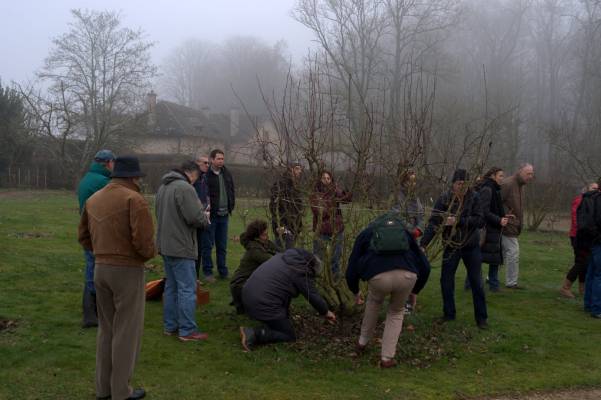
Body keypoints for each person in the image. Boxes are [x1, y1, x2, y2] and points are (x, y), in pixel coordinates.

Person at [78, 155, 155, 400]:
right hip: (127, 270)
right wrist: (148, 254)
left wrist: (101, 252)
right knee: (127, 332)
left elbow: (83, 236)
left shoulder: (93, 199)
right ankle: (121, 391)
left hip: (100, 268)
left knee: (107, 329)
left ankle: (103, 389)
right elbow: (144, 244)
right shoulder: (135, 199)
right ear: (134, 177)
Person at [346, 213, 431, 368]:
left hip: (378, 277)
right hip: (407, 275)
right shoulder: (406, 233)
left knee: (373, 303)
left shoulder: (366, 233)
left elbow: (352, 266)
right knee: (396, 312)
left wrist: (355, 291)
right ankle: (387, 358)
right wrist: (415, 291)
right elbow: (425, 265)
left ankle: (362, 343)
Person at [421, 169, 488, 329]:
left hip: (471, 246)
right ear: (453, 184)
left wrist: (458, 221)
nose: (462, 186)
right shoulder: (445, 199)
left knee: (476, 282)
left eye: (465, 184)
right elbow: (434, 222)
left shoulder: (474, 198)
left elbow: (479, 220)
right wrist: (423, 244)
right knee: (446, 280)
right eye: (459, 183)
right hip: (451, 246)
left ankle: (481, 319)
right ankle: (449, 314)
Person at [239, 248, 336, 350]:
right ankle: (254, 333)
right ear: (312, 267)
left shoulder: (284, 257)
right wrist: (326, 312)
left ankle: (270, 323)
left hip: (247, 296)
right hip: (261, 303)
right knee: (289, 335)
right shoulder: (301, 271)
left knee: (280, 319)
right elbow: (312, 296)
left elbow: (283, 293)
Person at [156, 161, 209, 342]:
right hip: (181, 246)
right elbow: (195, 217)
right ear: (191, 173)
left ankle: (170, 326)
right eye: (197, 176)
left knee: (171, 287)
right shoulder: (185, 188)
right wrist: (205, 217)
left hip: (166, 245)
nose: (196, 180)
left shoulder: (164, 187)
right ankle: (187, 331)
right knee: (187, 289)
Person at [77, 149, 115, 328]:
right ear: (107, 163)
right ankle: (93, 313)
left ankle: (90, 310)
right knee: (96, 269)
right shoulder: (104, 182)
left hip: (87, 230)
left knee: (90, 267)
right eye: (112, 162)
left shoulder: (86, 178)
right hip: (98, 232)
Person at [230, 220, 278, 314]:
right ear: (256, 237)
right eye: (264, 235)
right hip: (241, 285)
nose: (267, 237)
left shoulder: (261, 243)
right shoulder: (255, 250)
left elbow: (277, 250)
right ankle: (243, 305)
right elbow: (273, 262)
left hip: (245, 283)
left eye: (266, 234)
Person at [560, 182, 599, 298]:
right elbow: (578, 219)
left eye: (597, 189)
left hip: (587, 237)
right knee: (581, 262)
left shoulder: (593, 202)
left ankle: (582, 288)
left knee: (585, 263)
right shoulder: (580, 200)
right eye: (593, 188)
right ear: (586, 189)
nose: (595, 191)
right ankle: (565, 287)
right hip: (578, 236)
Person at [310, 170, 351, 277]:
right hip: (321, 230)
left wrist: (347, 192)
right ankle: (317, 276)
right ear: (319, 179)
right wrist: (332, 204)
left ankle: (335, 276)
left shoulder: (335, 190)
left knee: (336, 256)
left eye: (328, 178)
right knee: (318, 257)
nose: (326, 180)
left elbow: (346, 200)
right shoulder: (314, 193)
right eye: (324, 178)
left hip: (337, 229)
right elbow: (318, 212)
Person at [203, 149, 235, 282]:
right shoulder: (206, 176)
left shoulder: (226, 173)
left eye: (222, 158)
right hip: (212, 216)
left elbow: (231, 190)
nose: (221, 161)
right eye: (218, 159)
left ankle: (223, 271)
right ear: (212, 160)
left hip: (224, 215)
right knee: (208, 245)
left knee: (222, 246)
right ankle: (208, 271)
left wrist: (231, 204)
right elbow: (204, 194)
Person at [501, 163, 535, 289]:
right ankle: (511, 283)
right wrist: (505, 215)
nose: (530, 176)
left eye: (532, 173)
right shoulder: (508, 183)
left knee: (502, 254)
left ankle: (490, 278)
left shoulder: (520, 186)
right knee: (513, 253)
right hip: (507, 226)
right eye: (528, 173)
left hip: (513, 226)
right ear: (520, 171)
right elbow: (495, 201)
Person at [478, 167, 509, 292]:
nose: (502, 178)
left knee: (494, 258)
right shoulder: (487, 189)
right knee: (478, 258)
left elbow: (493, 209)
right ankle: (476, 284)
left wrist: (503, 217)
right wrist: (499, 220)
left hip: (494, 229)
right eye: (500, 176)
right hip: (487, 229)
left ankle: (493, 285)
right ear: (493, 176)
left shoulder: (494, 188)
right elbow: (484, 211)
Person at [270, 162, 304, 250]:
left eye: (300, 169)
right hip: (283, 226)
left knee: (287, 253)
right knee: (283, 254)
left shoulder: (297, 187)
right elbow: (274, 207)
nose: (299, 171)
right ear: (290, 169)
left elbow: (298, 209)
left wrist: (299, 227)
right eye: (297, 168)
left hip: (294, 227)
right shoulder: (280, 185)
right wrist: (280, 225)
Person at [583, 178, 601, 318]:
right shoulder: (597, 200)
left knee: (592, 273)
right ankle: (597, 308)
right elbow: (595, 221)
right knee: (598, 275)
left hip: (593, 241)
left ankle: (589, 305)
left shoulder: (593, 198)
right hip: (598, 241)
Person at [193, 155, 211, 279]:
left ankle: (196, 277)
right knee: (194, 249)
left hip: (204, 216)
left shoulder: (204, 178)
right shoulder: (193, 179)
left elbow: (205, 195)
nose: (207, 165)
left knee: (200, 247)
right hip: (194, 216)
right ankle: (193, 276)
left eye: (208, 163)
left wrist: (208, 204)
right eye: (205, 162)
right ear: (197, 163)